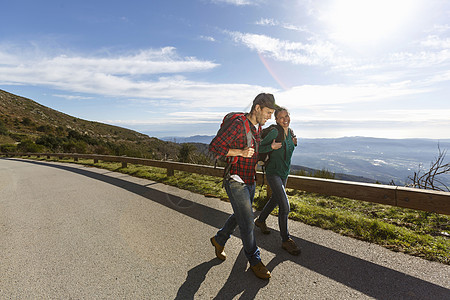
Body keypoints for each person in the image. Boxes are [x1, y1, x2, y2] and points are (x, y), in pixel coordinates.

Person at [209, 93, 277, 279]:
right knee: (247, 222)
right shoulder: (238, 124)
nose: (270, 116)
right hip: (236, 179)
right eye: (268, 112)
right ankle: (255, 260)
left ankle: (219, 239)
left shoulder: (257, 126)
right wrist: (240, 152)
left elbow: (253, 149)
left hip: (250, 179)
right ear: (257, 108)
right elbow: (214, 147)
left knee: (241, 215)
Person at [254, 107, 301, 255]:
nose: (284, 119)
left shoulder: (290, 133)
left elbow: (288, 152)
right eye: (281, 117)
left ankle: (260, 220)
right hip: (273, 172)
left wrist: (293, 144)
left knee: (275, 199)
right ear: (276, 120)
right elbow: (258, 147)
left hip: (284, 173)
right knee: (284, 206)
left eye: (286, 116)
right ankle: (285, 240)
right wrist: (271, 146)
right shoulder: (275, 132)